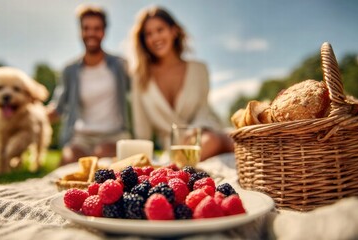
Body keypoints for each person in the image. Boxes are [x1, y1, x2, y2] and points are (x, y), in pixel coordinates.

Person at [130, 6, 233, 161]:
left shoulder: (199, 69)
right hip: (173, 147)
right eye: (148, 34)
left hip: (204, 132)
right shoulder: (140, 77)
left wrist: (194, 131)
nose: (155, 37)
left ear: (174, 31)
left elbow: (203, 110)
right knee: (215, 141)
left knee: (235, 138)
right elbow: (141, 130)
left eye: (160, 30)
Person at [48, 4, 131, 165]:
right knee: (67, 164)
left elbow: (142, 88)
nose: (91, 33)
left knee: (102, 163)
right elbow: (58, 107)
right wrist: (31, 116)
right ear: (80, 31)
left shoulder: (119, 65)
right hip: (81, 137)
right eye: (86, 28)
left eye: (97, 28)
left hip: (113, 135)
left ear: (104, 31)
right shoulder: (69, 70)